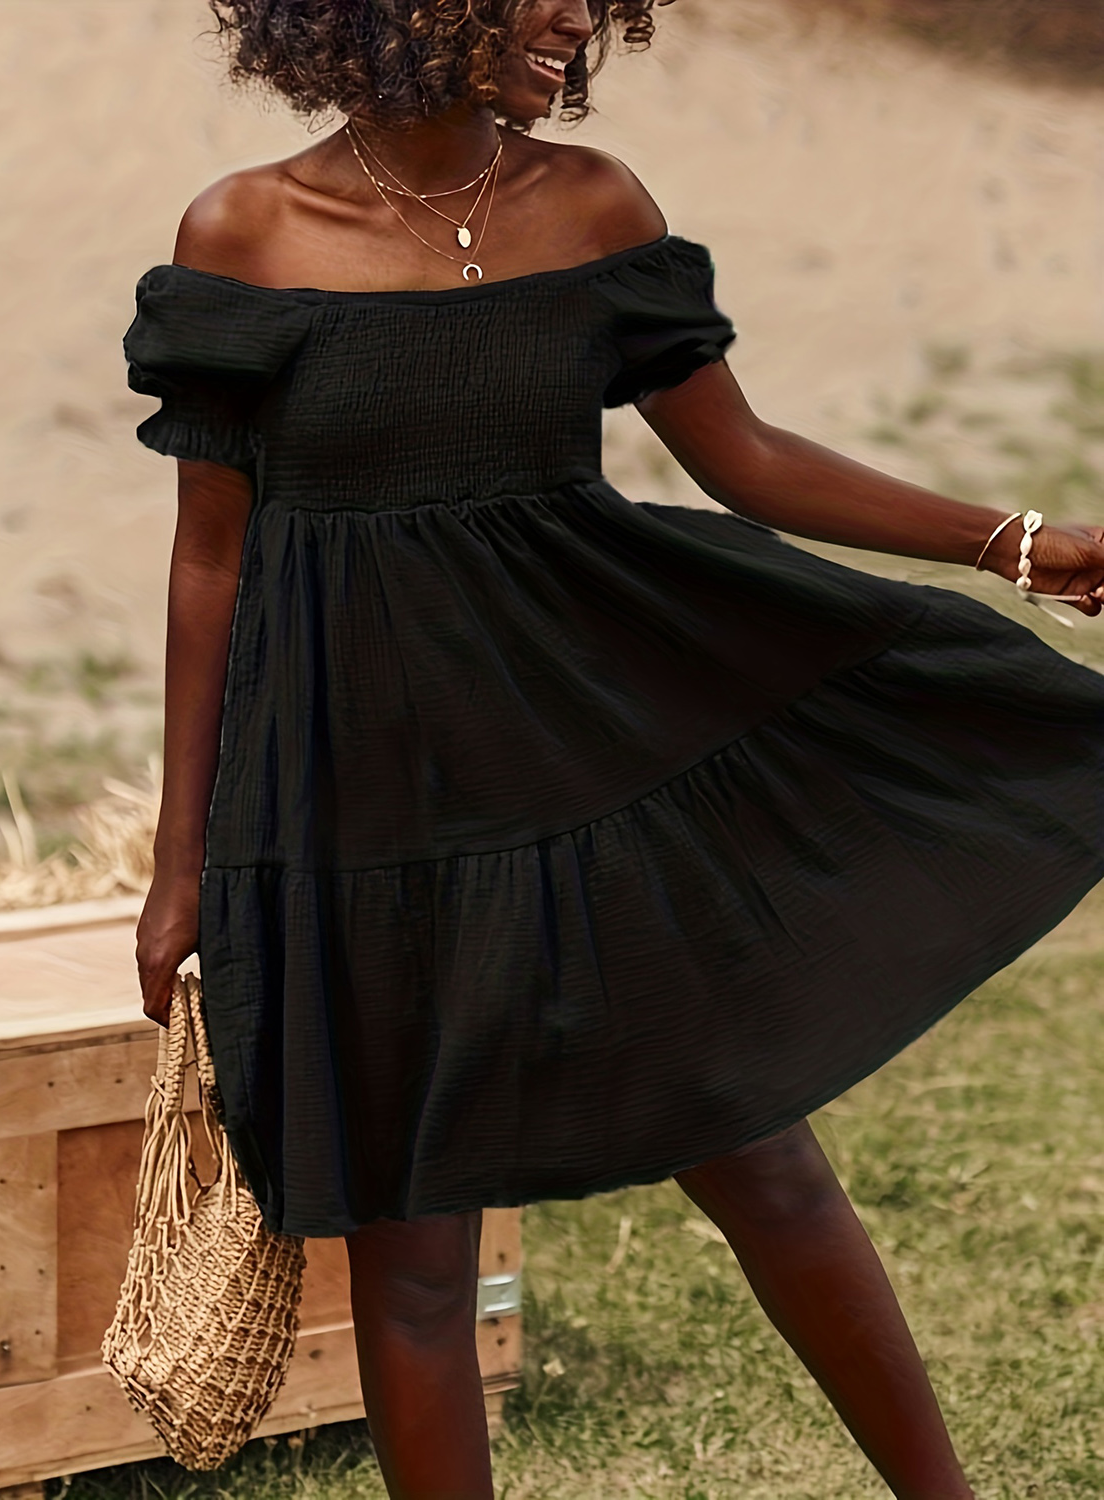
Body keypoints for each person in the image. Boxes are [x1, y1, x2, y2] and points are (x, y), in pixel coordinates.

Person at [129, 2, 1104, 1496]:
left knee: (763, 1159)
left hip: (591, 764)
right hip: (354, 797)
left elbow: (746, 458)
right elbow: (211, 557)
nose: (578, 16)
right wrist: (179, 861)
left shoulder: (592, 205)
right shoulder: (244, 232)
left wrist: (1014, 543)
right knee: (413, 1255)